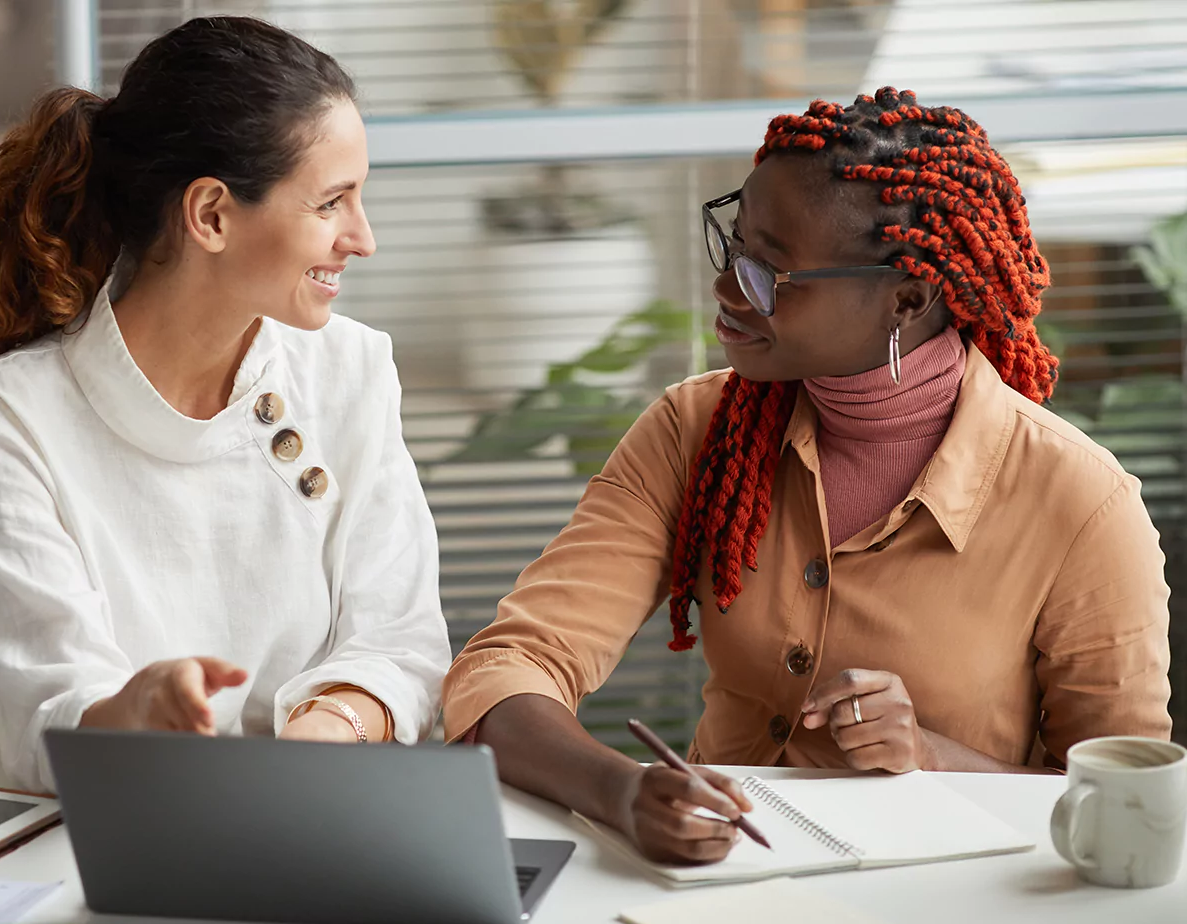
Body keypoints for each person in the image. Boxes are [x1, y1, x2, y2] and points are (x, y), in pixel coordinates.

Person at [443, 88, 1171, 864]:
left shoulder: (1081, 502)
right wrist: (621, 791)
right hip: (713, 893)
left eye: (772, 275)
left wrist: (929, 755)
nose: (728, 291)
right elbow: (509, 667)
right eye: (735, 248)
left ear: (908, 298)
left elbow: (1123, 807)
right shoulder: (698, 432)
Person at [0, 16, 450, 790]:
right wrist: (134, 713)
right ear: (211, 215)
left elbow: (402, 642)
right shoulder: (9, 417)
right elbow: (48, 705)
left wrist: (325, 735)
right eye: (331, 203)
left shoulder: (352, 369)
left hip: (304, 810)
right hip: (89, 820)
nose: (363, 238)